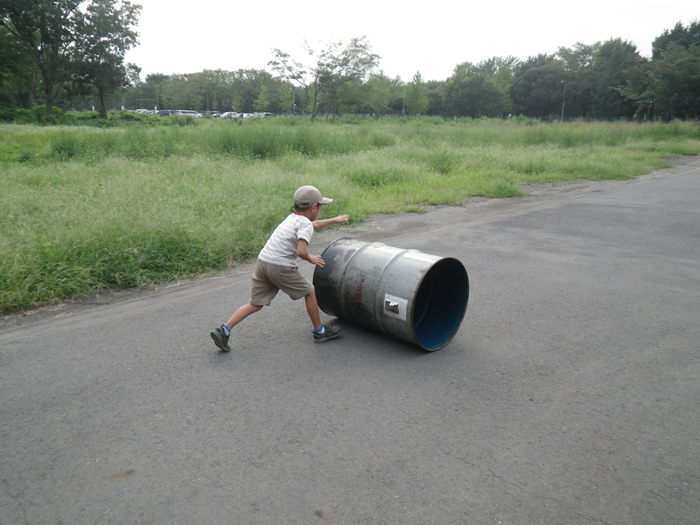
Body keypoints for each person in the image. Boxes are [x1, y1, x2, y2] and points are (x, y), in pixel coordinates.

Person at [210, 185, 350, 352]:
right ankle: (319, 331)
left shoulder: (293, 218)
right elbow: (301, 251)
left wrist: (334, 220)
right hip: (280, 266)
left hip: (263, 262)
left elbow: (314, 224)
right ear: (314, 207)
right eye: (320, 207)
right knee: (310, 291)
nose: (319, 210)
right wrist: (311, 258)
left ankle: (224, 330)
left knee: (255, 303)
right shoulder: (304, 224)